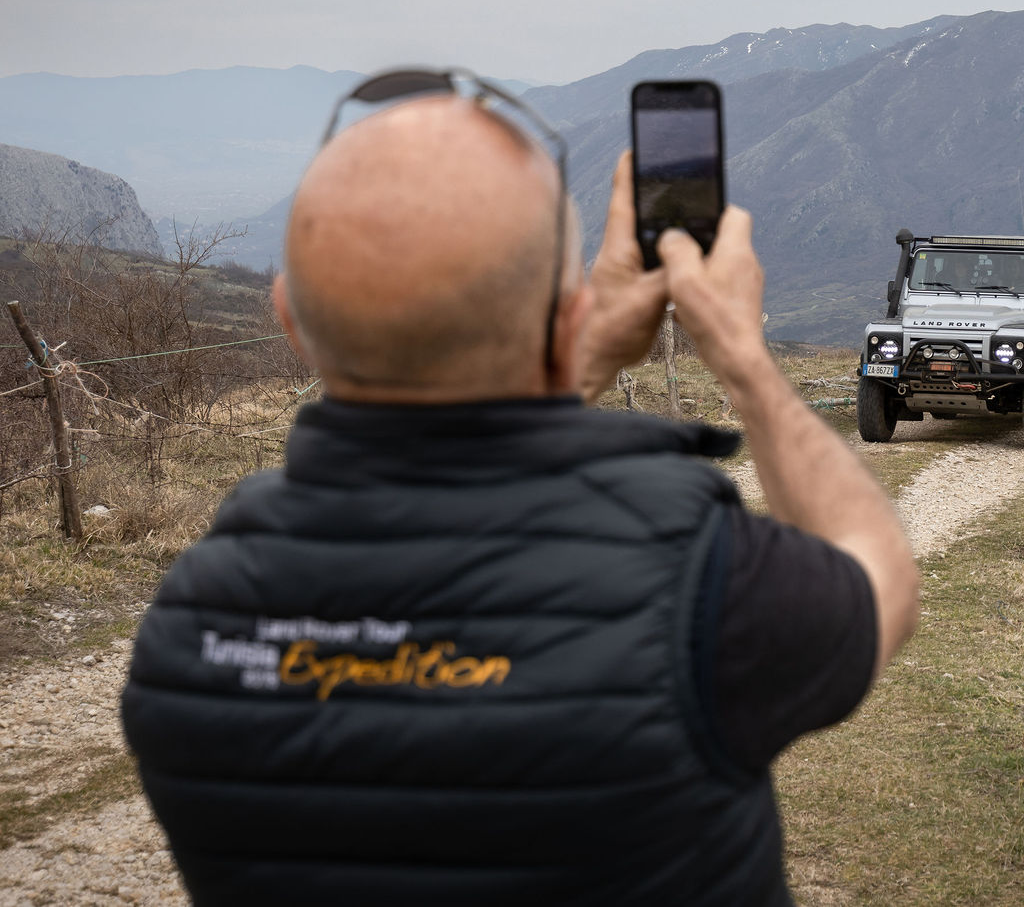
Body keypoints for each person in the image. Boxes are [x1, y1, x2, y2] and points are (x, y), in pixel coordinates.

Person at [120, 79, 919, 906]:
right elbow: (879, 578)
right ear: (566, 315)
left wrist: (566, 349)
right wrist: (743, 359)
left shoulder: (191, 630)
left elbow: (442, 502)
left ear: (289, 318)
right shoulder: (701, 587)